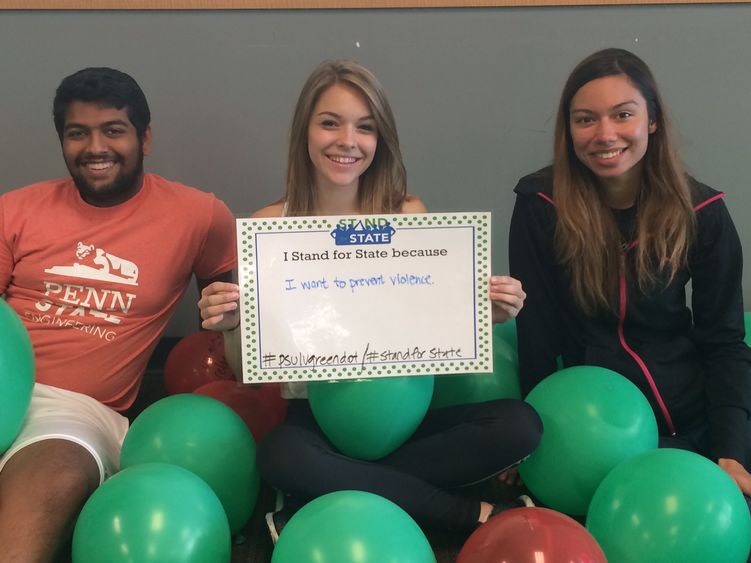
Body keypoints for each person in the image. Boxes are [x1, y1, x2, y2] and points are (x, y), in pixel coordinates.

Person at [198, 59, 542, 541]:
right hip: (317, 421)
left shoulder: (409, 214)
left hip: (405, 414)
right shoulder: (269, 227)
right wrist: (233, 323)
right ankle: (461, 513)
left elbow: (438, 330)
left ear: (380, 140)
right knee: (280, 455)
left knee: (520, 425)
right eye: (330, 123)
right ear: (305, 132)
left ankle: (326, 490)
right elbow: (248, 377)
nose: (347, 141)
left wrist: (486, 310)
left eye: (365, 127)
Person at [0, 67, 236, 562]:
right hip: (4, 380)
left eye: (113, 130)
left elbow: (239, 307)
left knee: (48, 482)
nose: (95, 147)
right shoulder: (14, 211)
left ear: (144, 138)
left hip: (72, 411)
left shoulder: (198, 215)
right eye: (77, 133)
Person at [509, 48, 751, 497]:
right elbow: (535, 335)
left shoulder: (703, 212)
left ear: (652, 121)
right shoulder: (540, 204)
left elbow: (725, 343)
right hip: (594, 428)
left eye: (623, 115)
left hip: (694, 417)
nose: (605, 134)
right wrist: (536, 439)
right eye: (585, 119)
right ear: (569, 129)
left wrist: (731, 452)